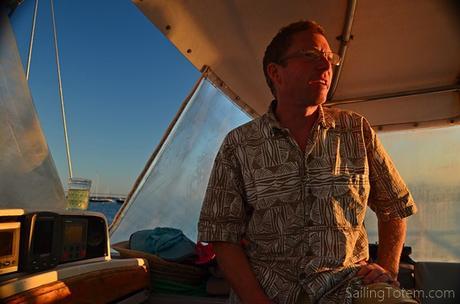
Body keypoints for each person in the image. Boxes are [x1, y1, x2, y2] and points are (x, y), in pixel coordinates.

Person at [198, 21, 418, 304]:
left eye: (329, 58)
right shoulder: (239, 144)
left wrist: (387, 269)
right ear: (275, 72)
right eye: (311, 55)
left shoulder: (355, 130)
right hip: (268, 291)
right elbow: (221, 234)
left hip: (349, 289)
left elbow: (395, 206)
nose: (325, 67)